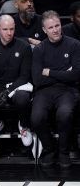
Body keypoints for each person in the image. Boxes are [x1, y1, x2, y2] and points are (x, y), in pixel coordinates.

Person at [31, 10, 80, 168]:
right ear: (44, 30)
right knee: (36, 117)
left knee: (64, 113)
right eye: (51, 27)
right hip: (44, 91)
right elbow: (37, 79)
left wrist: (50, 72)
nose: (55, 30)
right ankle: (49, 148)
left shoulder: (74, 45)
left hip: (68, 89)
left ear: (61, 25)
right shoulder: (39, 49)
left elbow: (76, 75)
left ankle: (64, 152)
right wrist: (64, 72)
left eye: (57, 25)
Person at [0, 14, 33, 147]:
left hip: (18, 85)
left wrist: (9, 90)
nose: (9, 33)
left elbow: (24, 75)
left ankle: (24, 125)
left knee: (22, 99)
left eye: (12, 29)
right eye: (5, 29)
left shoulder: (24, 47)